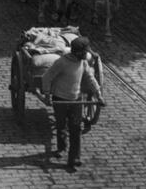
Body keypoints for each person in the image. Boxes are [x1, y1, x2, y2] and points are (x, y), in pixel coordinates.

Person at [41, 37, 103, 170]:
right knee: (61, 126)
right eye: (84, 52)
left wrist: (98, 94)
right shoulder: (62, 62)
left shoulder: (83, 62)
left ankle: (74, 159)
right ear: (76, 52)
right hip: (60, 99)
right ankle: (61, 148)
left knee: (76, 129)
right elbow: (47, 76)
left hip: (76, 100)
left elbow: (90, 78)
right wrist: (46, 95)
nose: (86, 54)